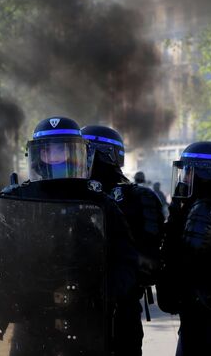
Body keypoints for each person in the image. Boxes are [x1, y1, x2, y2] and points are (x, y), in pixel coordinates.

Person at [0, 117, 138, 355]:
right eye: (48, 150)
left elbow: (125, 259)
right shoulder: (18, 200)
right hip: (33, 319)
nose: (55, 156)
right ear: (37, 154)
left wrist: (104, 294)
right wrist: (5, 293)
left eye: (62, 149)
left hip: (84, 318)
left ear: (78, 152)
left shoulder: (99, 201)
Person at [81, 125, 165, 356]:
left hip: (119, 307)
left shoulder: (140, 198)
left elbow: (149, 263)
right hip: (78, 307)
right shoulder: (69, 194)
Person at [156, 141, 211, 356]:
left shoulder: (205, 209)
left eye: (189, 172)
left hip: (204, 311)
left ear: (205, 173)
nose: (185, 179)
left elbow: (187, 261)